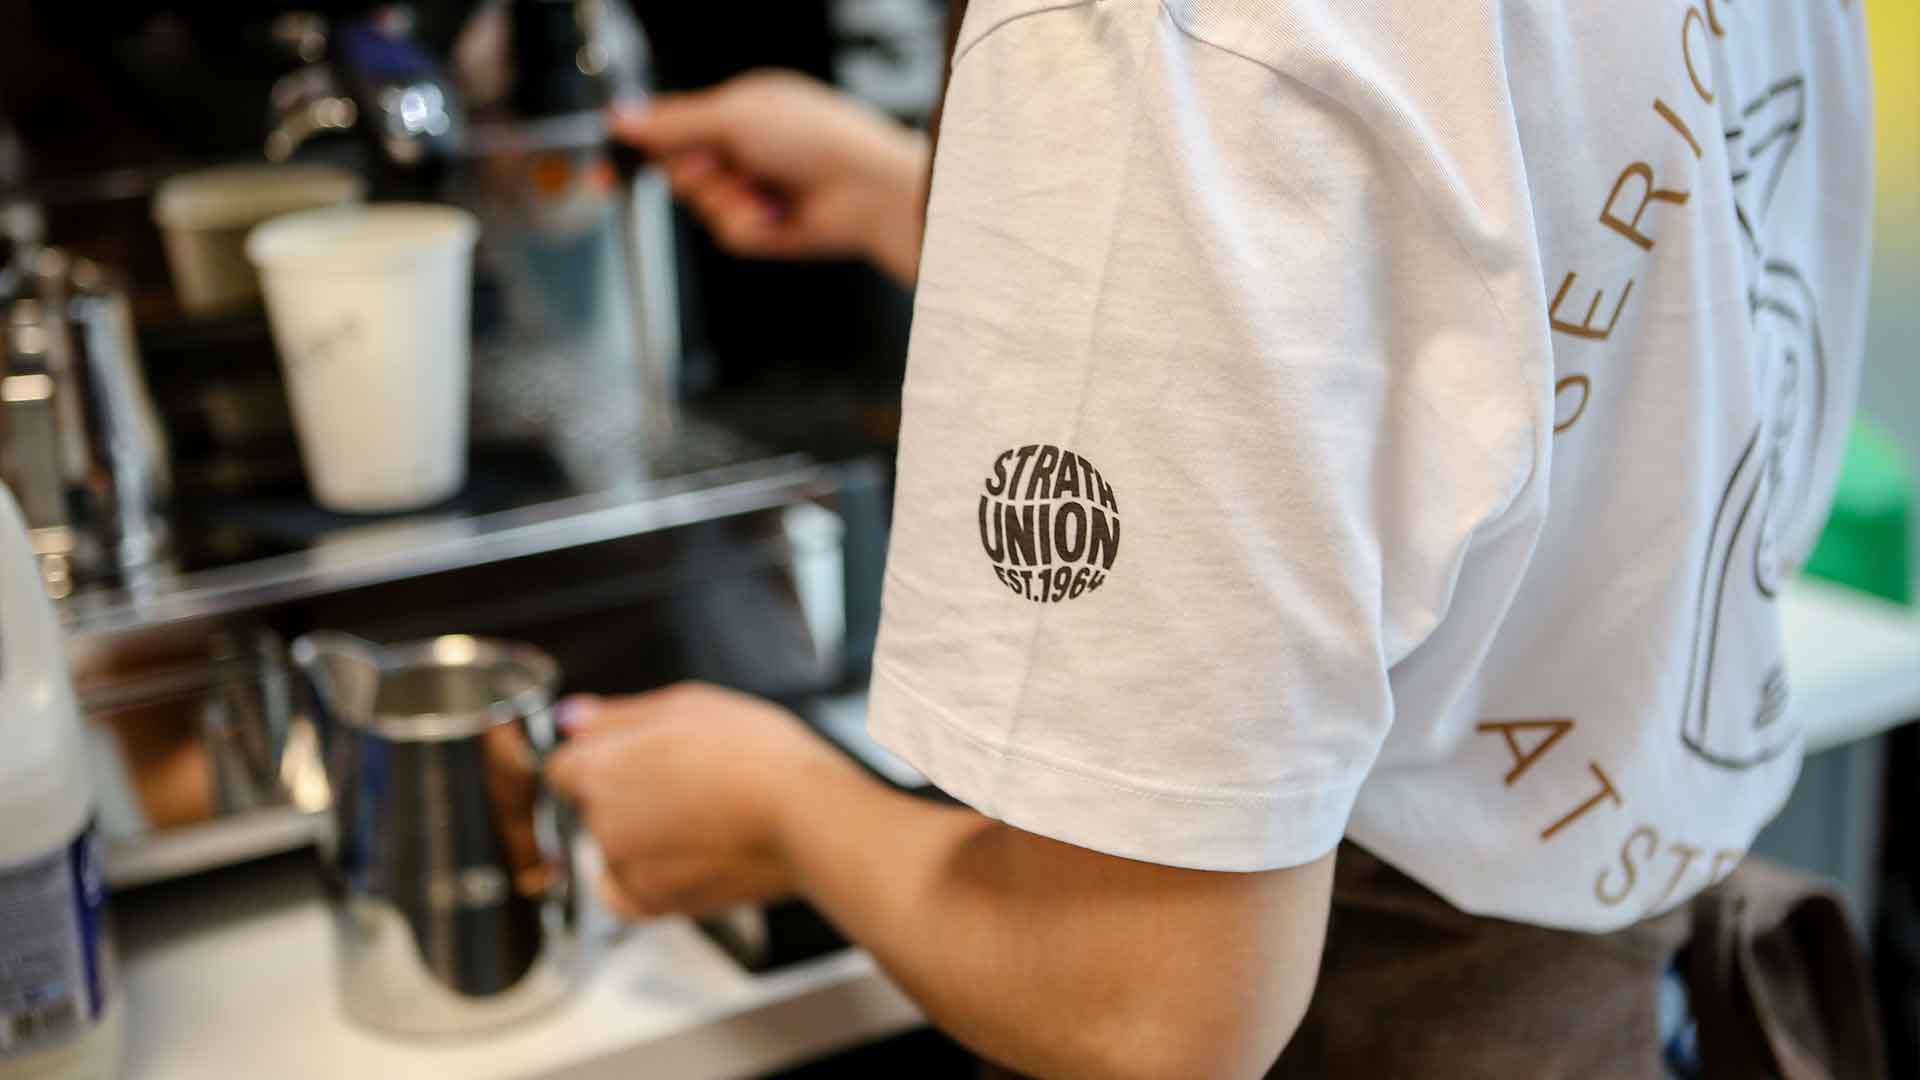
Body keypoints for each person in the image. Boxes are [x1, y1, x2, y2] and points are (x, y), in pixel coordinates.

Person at [548, 4, 1880, 1075]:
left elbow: (1148, 1015)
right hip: (1627, 1007)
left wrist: (776, 806)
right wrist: (962, 215)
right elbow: (1521, 291)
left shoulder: (1147, 38)